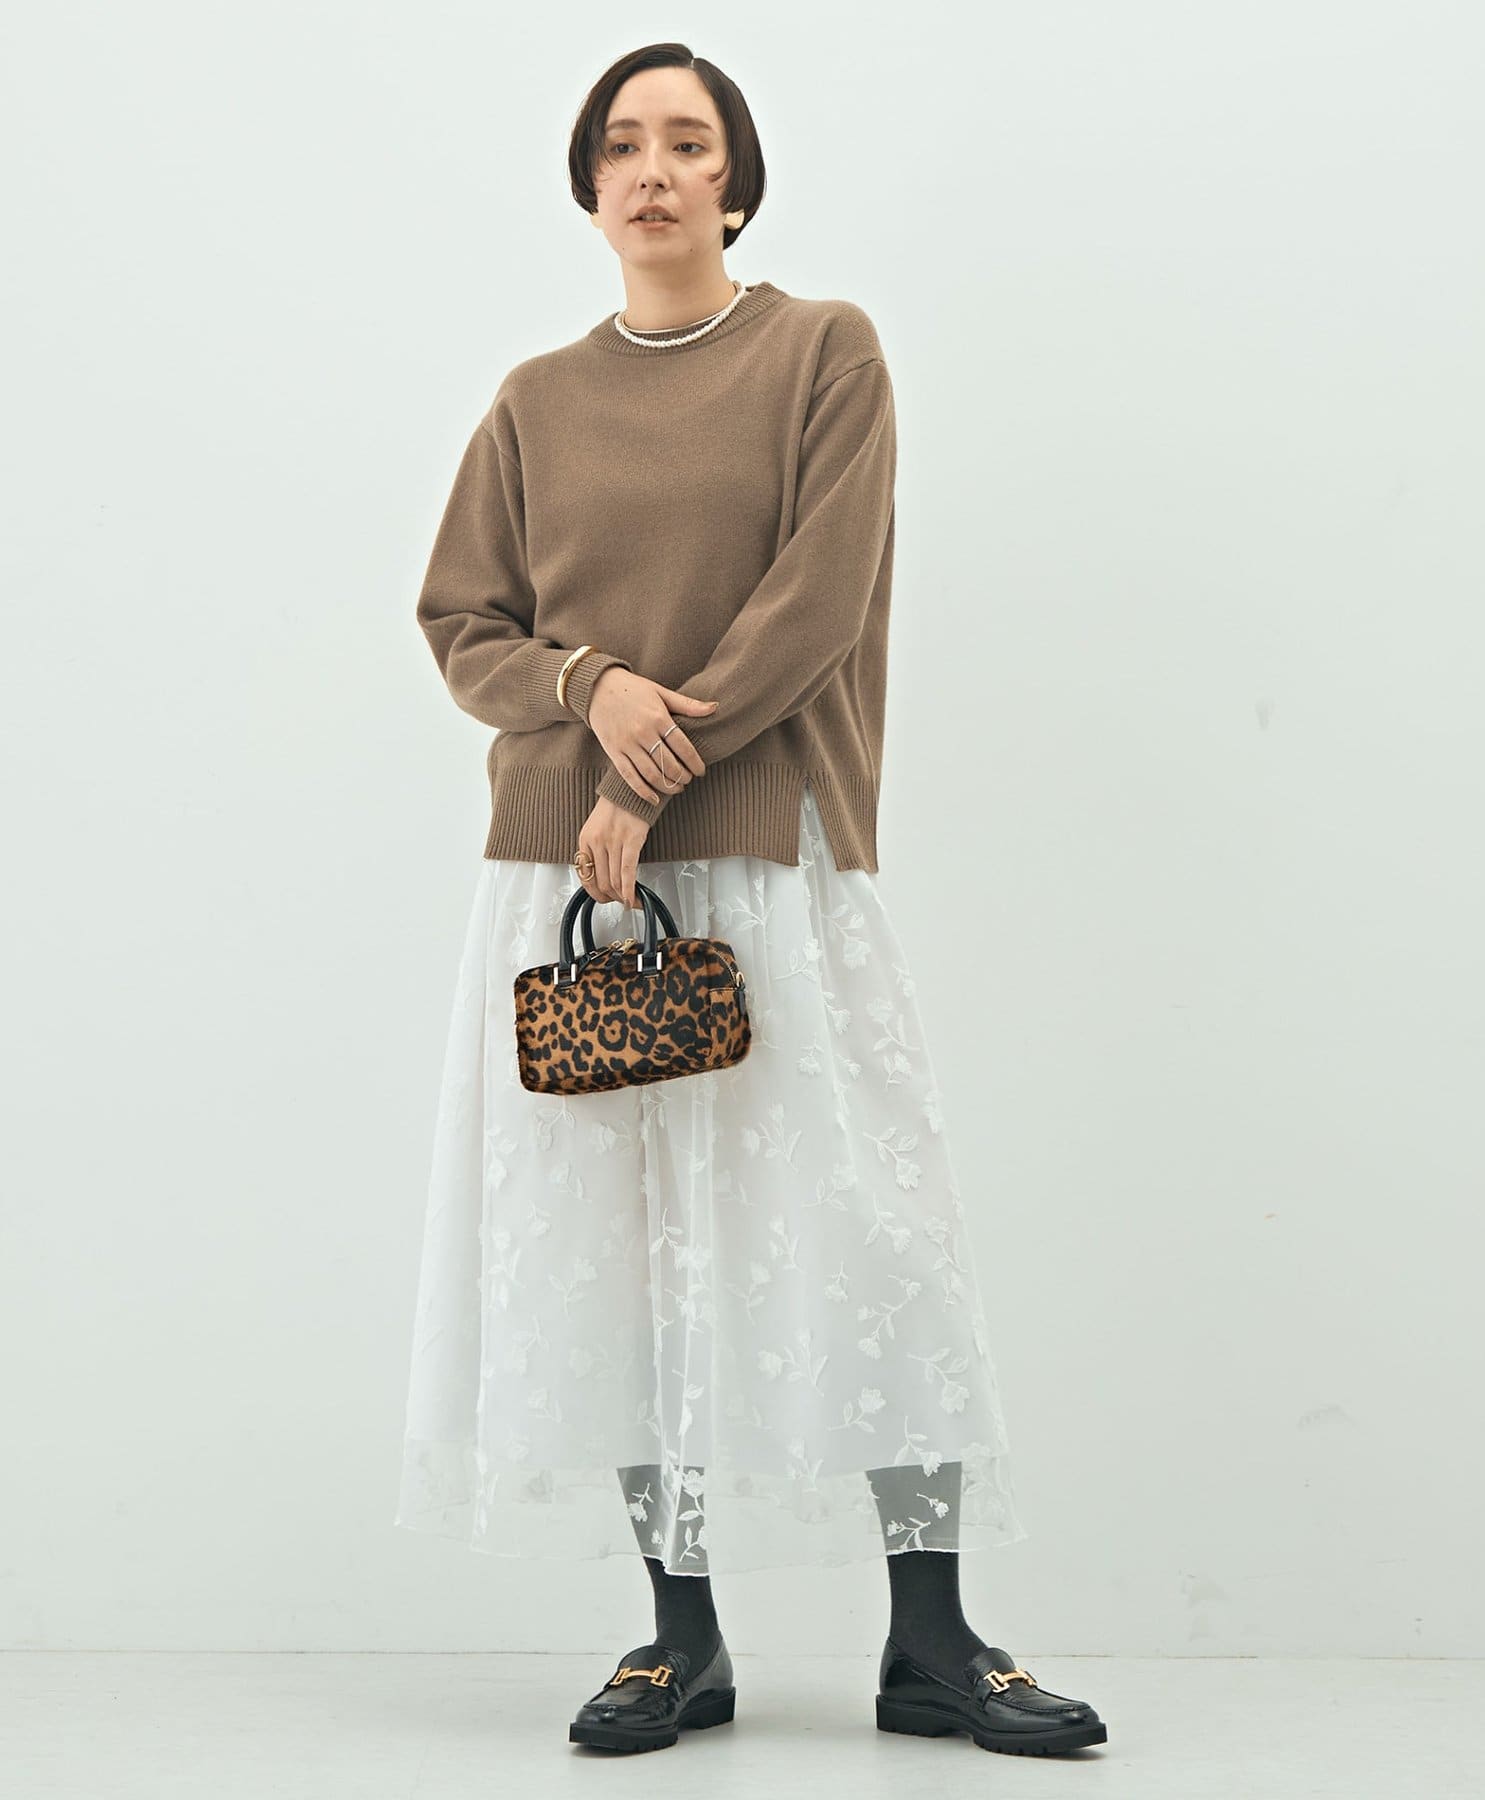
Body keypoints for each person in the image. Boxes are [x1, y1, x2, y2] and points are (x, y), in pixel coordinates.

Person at [395, 40, 1107, 1760]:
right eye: (623, 145)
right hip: (579, 895)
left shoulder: (821, 354)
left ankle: (930, 1641)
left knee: (875, 1233)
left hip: (768, 861)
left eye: (689, 142)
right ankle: (680, 1639)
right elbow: (463, 626)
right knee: (629, 1260)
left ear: (737, 178)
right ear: (589, 187)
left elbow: (816, 602)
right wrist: (585, 691)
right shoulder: (532, 403)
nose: (654, 170)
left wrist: (651, 767)